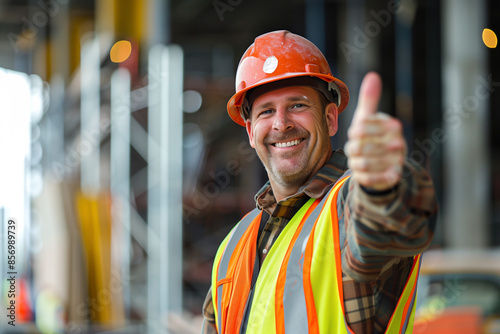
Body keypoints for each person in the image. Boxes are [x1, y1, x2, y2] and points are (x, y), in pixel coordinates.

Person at [201, 30, 438, 334]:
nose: (281, 123)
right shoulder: (231, 248)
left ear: (329, 119)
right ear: (250, 131)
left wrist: (383, 184)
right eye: (266, 111)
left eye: (298, 105)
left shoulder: (347, 205)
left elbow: (386, 222)